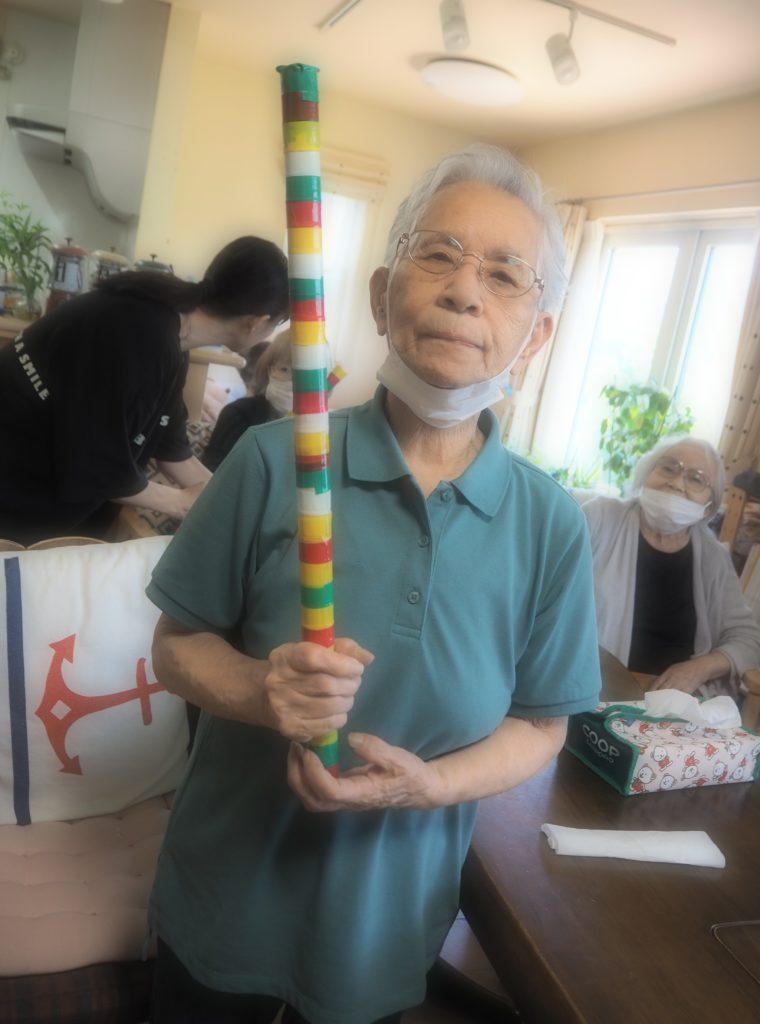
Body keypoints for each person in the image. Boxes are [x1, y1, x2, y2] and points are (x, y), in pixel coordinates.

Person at [145, 144, 602, 1024]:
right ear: (380, 294)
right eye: (439, 254)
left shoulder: (550, 523)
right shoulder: (273, 459)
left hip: (383, 932)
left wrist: (428, 786)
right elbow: (175, 646)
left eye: (504, 274)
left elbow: (542, 723)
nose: (465, 291)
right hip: (224, 900)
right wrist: (260, 688)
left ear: (536, 335)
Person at [0, 236, 289, 545]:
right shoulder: (142, 330)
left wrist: (237, 504)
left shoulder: (172, 339)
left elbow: (172, 450)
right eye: (275, 324)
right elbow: (98, 464)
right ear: (256, 322)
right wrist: (180, 502)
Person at [582, 436, 760, 697]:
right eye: (668, 468)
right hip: (597, 691)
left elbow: (749, 640)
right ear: (646, 474)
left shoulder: (714, 558)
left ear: (709, 506)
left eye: (696, 479)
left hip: (678, 704)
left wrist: (701, 668)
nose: (676, 483)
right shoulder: (599, 518)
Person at [201, 328, 293, 471]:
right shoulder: (238, 414)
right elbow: (213, 469)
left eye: (305, 373)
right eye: (284, 369)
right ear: (269, 370)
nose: (293, 381)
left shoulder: (323, 425)